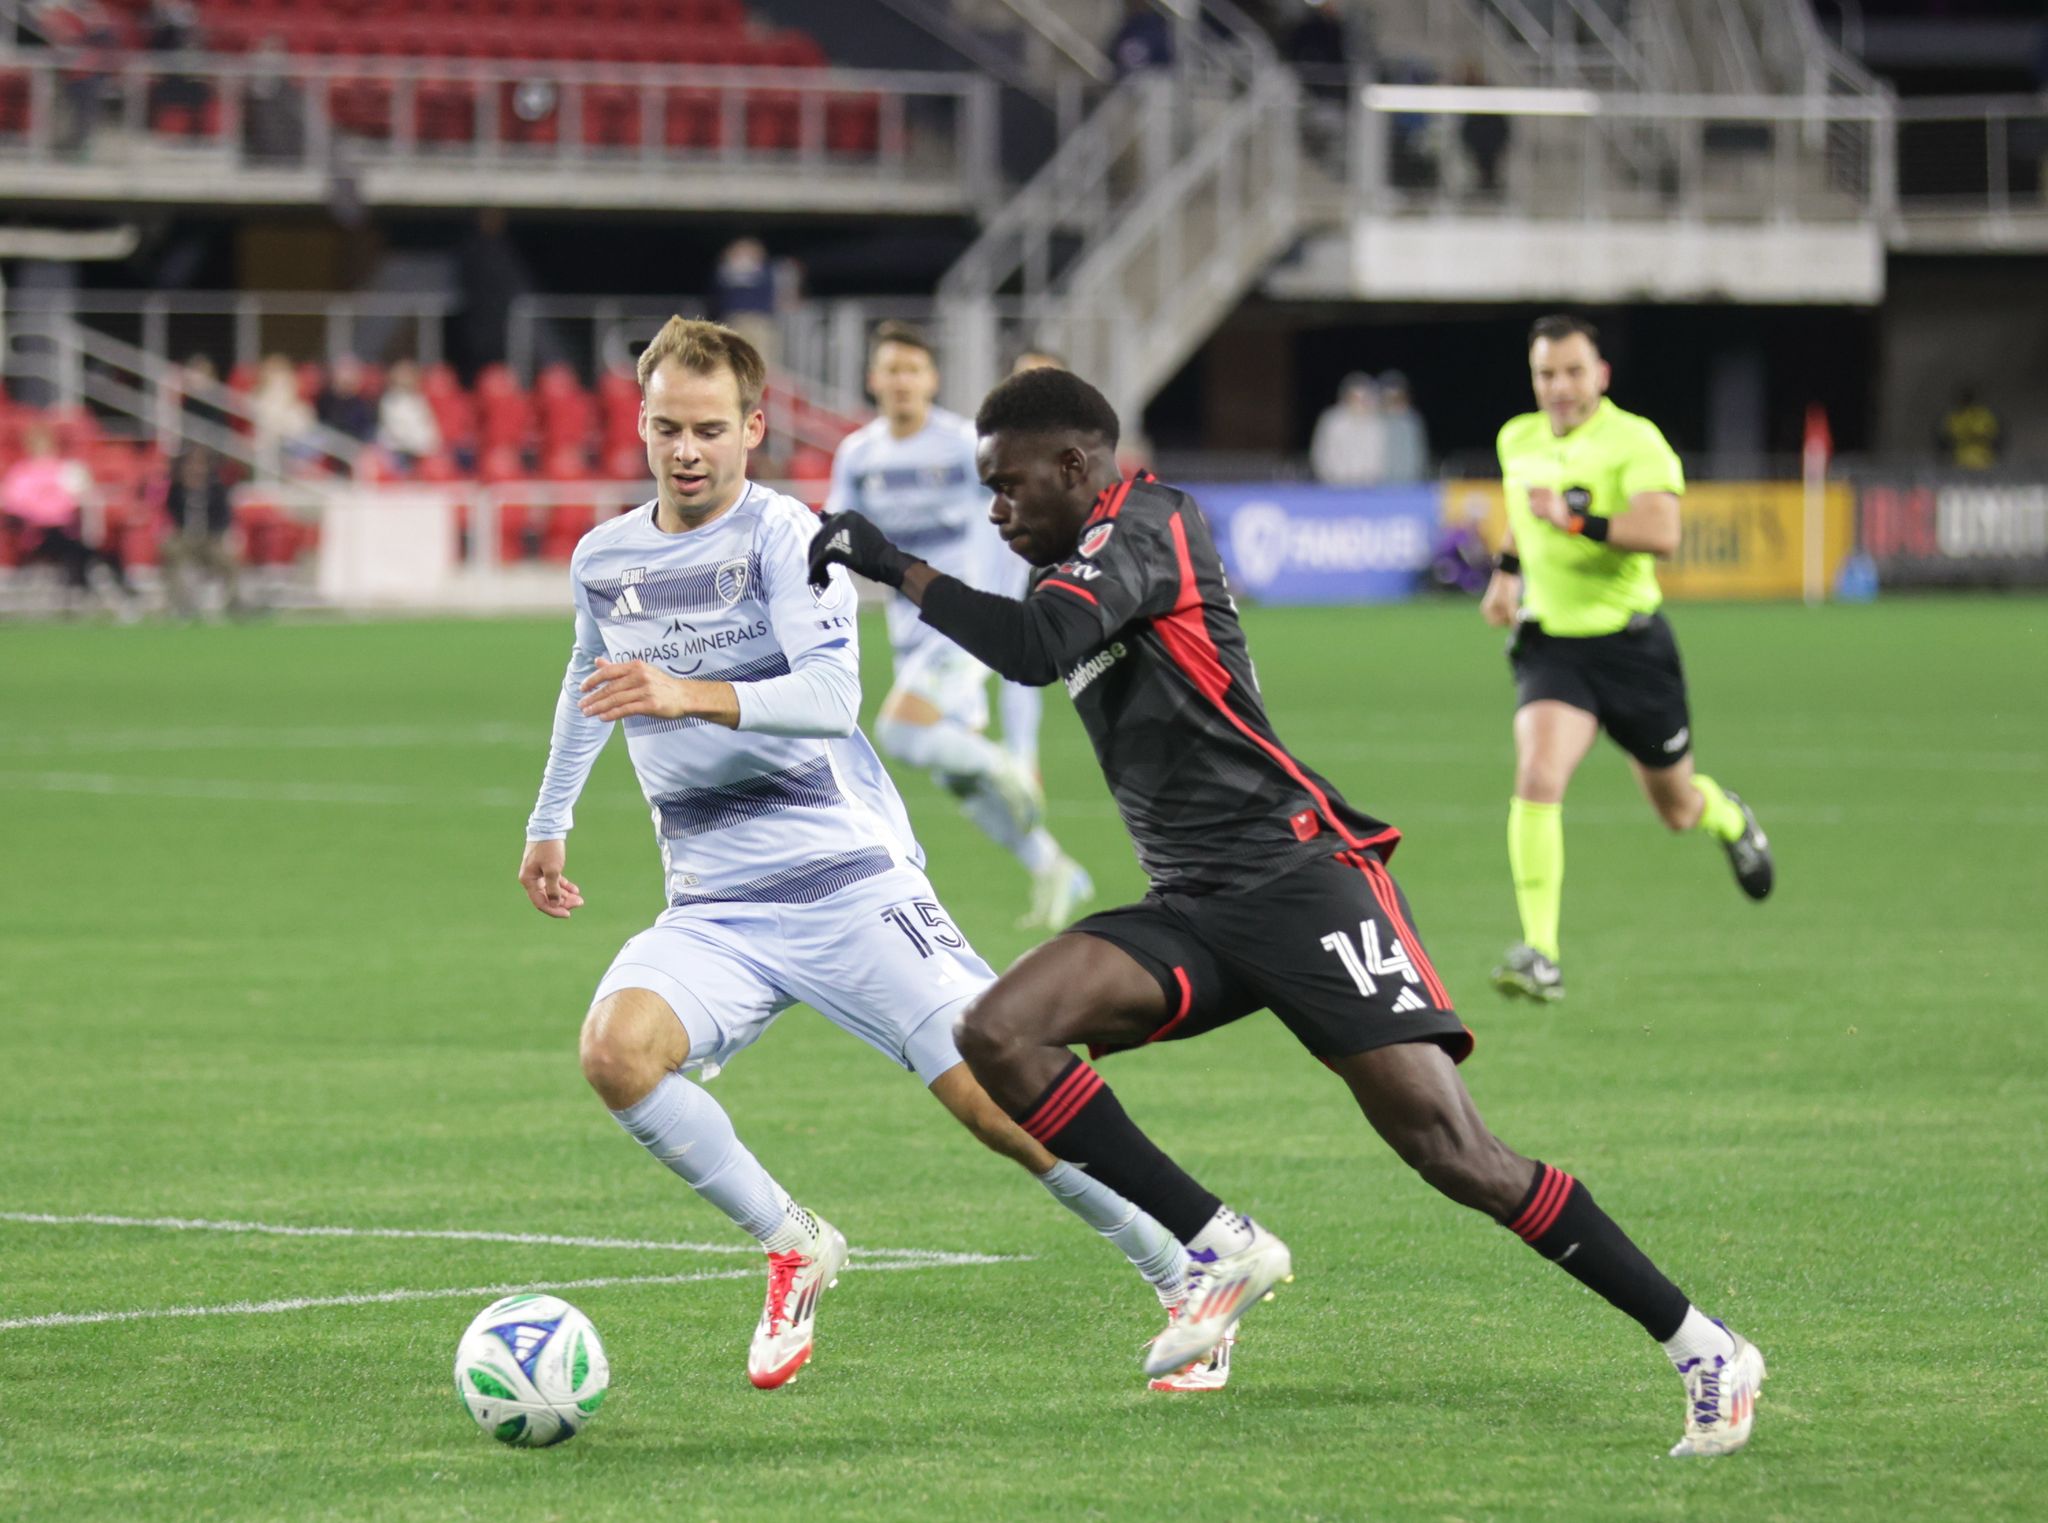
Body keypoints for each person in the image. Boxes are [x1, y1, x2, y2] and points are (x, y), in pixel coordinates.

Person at [806, 365, 1769, 1458]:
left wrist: (894, 566)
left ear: (1076, 465)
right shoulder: (1071, 562)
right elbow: (1040, 635)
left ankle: (1702, 1344)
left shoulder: (1153, 523)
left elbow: (1037, 654)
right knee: (994, 1030)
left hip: (1302, 879)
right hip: (1196, 903)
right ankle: (1215, 1242)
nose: (996, 508)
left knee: (1455, 1152)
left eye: (1009, 484)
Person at [517, 317, 1215, 1398]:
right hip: (713, 902)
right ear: (640, 423)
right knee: (616, 1050)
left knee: (1003, 1102)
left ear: (753, 426)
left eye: (709, 428)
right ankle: (793, 1239)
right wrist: (546, 818)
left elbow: (831, 700)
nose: (686, 449)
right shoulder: (604, 556)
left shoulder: (789, 536)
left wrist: (682, 690)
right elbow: (583, 674)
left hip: (849, 880)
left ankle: (1185, 1274)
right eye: (665, 427)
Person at [1480, 315, 1772, 1003]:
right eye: (1546, 373)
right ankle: (1540, 952)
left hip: (1633, 646)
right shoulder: (1516, 439)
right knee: (1538, 772)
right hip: (1553, 645)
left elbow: (1664, 532)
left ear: (1601, 374)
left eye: (1573, 371)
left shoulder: (1634, 441)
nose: (1559, 386)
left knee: (1676, 807)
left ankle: (1728, 817)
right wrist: (1507, 572)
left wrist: (1578, 520)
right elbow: (1525, 514)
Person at [826, 321, 1090, 929]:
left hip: (966, 620)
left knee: (897, 730)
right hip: (909, 630)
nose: (901, 382)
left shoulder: (964, 446)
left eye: (912, 370)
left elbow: (1026, 504)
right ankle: (1054, 868)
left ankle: (1005, 761)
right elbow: (836, 531)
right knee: (956, 777)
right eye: (890, 370)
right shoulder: (859, 455)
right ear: (874, 380)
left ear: (932, 380)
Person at [0, 423, 136, 608]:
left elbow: (81, 497)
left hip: (64, 530)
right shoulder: (20, 473)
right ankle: (84, 592)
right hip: (34, 534)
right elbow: (13, 505)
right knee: (77, 550)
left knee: (94, 550)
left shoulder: (67, 470)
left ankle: (95, 592)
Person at [160, 443, 241, 617]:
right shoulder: (177, 489)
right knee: (171, 553)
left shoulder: (216, 489)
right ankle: (181, 606)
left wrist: (215, 535)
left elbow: (224, 517)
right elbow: (169, 512)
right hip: (184, 536)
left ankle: (234, 603)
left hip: (210, 537)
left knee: (228, 562)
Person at [1310, 372, 1384, 485]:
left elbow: (1379, 455)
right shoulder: (1333, 421)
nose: (1359, 402)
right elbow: (1321, 452)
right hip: (1336, 485)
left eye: (1364, 398)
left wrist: (1371, 478)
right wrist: (1330, 476)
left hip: (1369, 486)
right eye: (1355, 397)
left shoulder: (1377, 424)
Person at [376, 358, 442, 468]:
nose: (405, 378)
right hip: (397, 450)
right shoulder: (390, 401)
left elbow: (427, 424)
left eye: (408, 374)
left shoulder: (419, 399)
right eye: (402, 374)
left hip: (420, 450)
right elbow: (396, 430)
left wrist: (431, 446)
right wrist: (417, 446)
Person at [1377, 370, 1430, 484]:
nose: (1392, 401)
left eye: (1397, 396)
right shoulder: (1374, 420)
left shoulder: (1412, 420)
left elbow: (1420, 452)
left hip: (1409, 481)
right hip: (1378, 483)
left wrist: (1417, 475)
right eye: (1388, 397)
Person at [1936, 388, 2000, 471]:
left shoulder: (1983, 415)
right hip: (1960, 460)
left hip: (1983, 459)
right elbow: (1945, 439)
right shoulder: (1954, 417)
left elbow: (1996, 436)